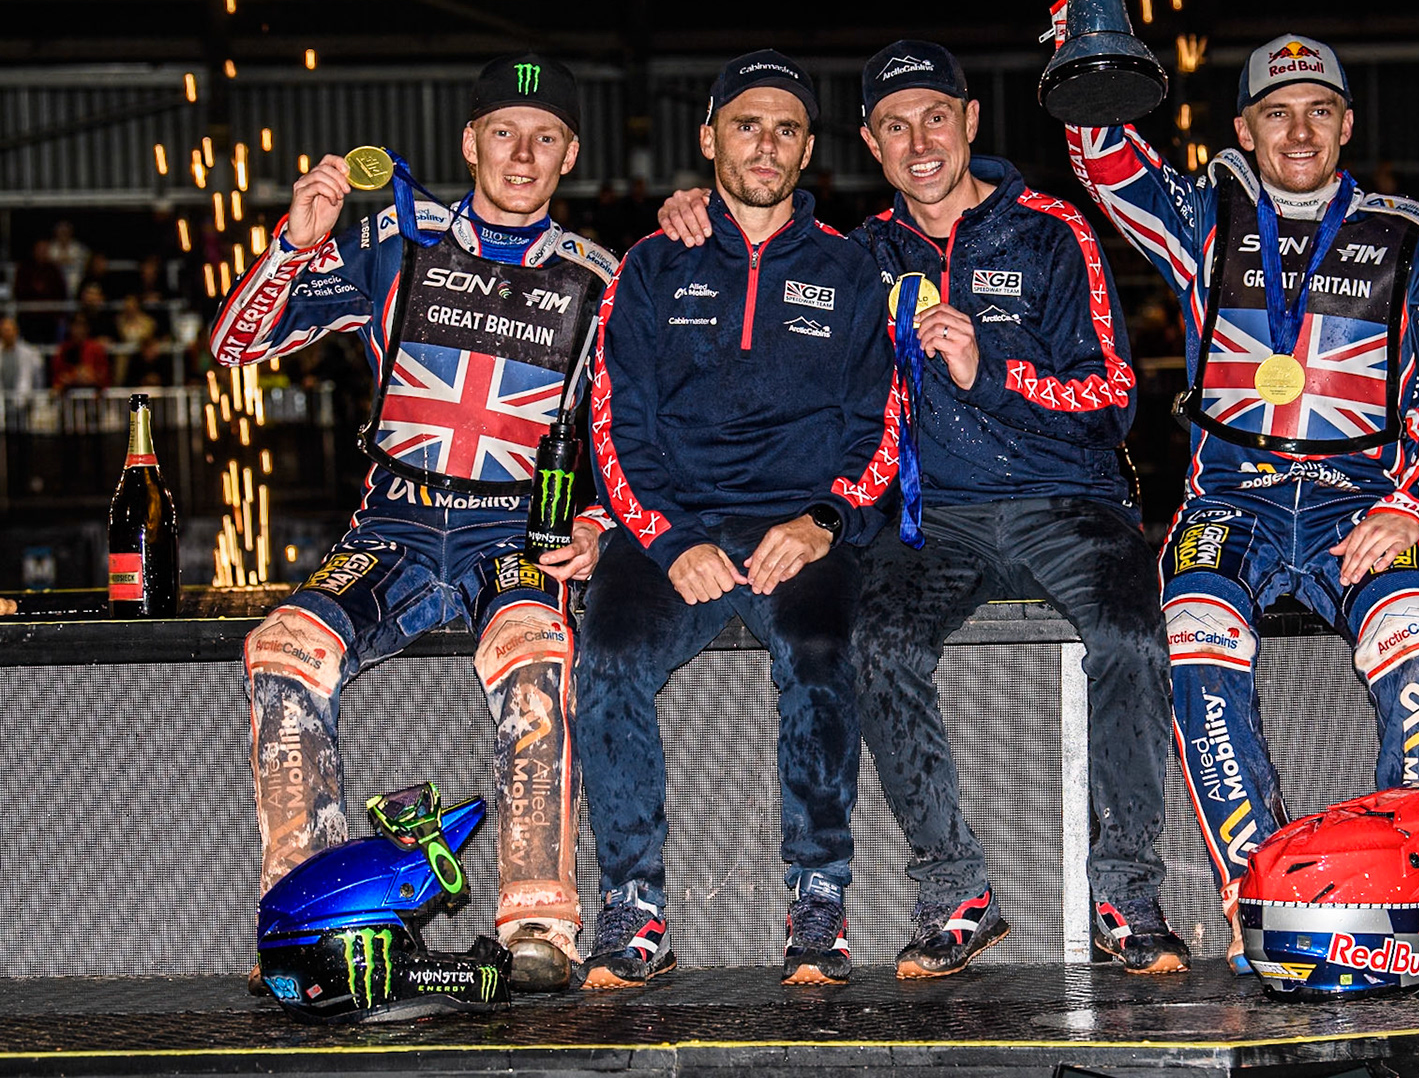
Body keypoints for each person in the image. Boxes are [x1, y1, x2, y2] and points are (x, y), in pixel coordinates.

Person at [653, 40, 1187, 977]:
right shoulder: (863, 257)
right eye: (894, 127)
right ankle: (955, 890)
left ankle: (1127, 890)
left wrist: (992, 373)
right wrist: (693, 214)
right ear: (869, 143)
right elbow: (769, 292)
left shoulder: (1051, 231)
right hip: (931, 519)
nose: (920, 142)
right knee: (876, 644)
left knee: (1132, 638)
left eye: (936, 117)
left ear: (971, 120)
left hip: (1070, 505)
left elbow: (1114, 400)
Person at [1046, 0, 1419, 971]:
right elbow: (1101, 149)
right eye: (1276, 113)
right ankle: (1265, 888)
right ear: (1242, 130)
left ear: (1347, 124)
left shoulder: (1412, 235)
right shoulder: (1205, 214)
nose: (1298, 132)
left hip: (1359, 501)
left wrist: (1410, 507)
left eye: (1318, 111)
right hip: (1231, 503)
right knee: (1194, 633)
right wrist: (1080, 2)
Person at [211, 52, 617, 993]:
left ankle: (539, 926)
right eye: (504, 133)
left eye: (545, 138)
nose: (523, 155)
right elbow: (235, 345)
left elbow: (622, 432)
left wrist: (597, 523)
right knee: (282, 651)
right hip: (392, 528)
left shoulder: (601, 277)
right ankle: (307, 920)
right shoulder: (394, 237)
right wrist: (294, 244)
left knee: (537, 651)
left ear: (571, 155)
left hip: (513, 534)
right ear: (470, 142)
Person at [578, 51, 898, 989]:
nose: (766, 145)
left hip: (795, 526)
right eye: (746, 125)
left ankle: (819, 897)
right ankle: (632, 904)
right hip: (672, 524)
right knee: (607, 659)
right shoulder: (651, 262)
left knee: (823, 655)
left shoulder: (849, 268)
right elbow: (615, 421)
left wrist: (823, 519)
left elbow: (881, 424)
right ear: (709, 138)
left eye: (786, 129)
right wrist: (669, 539)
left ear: (808, 150)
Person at [48, 313, 110, 392]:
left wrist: (91, 377)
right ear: (70, 327)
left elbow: (105, 379)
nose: (79, 329)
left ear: (88, 328)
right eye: (76, 325)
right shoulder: (63, 350)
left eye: (82, 325)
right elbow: (56, 381)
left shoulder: (97, 349)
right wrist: (74, 376)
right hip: (69, 397)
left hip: (93, 396)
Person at [0, 316, 43, 406]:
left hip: (23, 402)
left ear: (16, 331)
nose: (6, 334)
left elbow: (37, 379)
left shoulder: (29, 353)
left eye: (8, 330)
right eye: (4, 330)